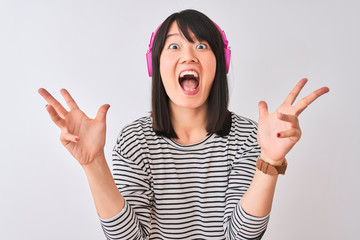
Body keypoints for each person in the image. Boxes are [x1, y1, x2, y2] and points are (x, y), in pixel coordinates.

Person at [38, 9, 329, 240]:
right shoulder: (135, 140)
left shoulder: (248, 137)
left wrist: (270, 159)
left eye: (201, 45)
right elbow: (129, 238)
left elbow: (241, 236)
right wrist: (93, 164)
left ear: (221, 62)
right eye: (174, 45)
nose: (188, 55)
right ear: (156, 65)